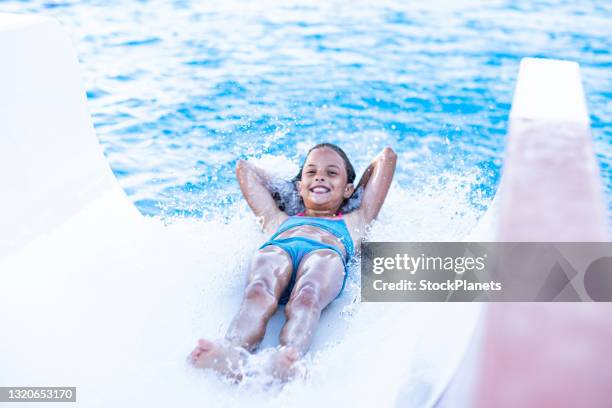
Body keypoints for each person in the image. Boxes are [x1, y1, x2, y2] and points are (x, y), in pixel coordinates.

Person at [189, 143, 397, 381]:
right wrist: (290, 189)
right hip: (279, 249)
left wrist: (355, 194)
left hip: (325, 255)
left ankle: (289, 356)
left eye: (332, 173)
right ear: (299, 185)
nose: (320, 177)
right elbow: (244, 169)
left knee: (308, 295)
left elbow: (387, 157)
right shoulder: (275, 218)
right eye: (311, 172)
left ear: (348, 188)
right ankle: (232, 349)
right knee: (258, 289)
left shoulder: (356, 220)